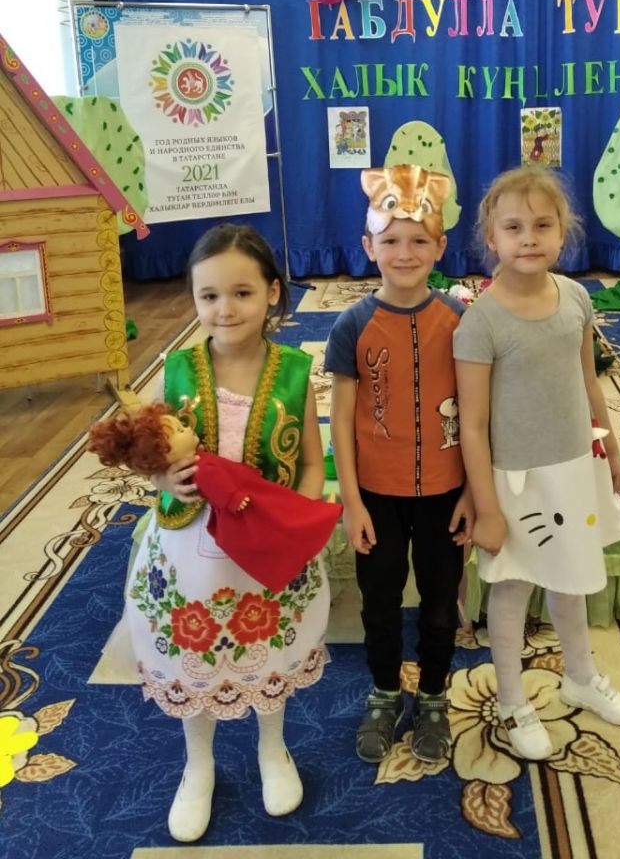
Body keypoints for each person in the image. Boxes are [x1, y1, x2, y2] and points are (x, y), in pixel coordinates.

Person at [123, 223, 329, 843]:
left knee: (269, 647)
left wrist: (296, 519)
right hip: (190, 552)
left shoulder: (294, 372)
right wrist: (163, 481)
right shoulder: (176, 371)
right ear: (192, 297)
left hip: (266, 549)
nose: (225, 309)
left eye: (242, 292)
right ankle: (199, 765)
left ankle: (273, 747)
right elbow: (146, 456)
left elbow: (311, 461)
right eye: (208, 295)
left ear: (272, 293)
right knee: (195, 655)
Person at [453, 167, 620, 761]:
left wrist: (611, 450)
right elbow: (473, 425)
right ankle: (513, 700)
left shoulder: (577, 298)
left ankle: (580, 677)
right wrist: (487, 507)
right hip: (516, 482)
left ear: (564, 233)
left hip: (573, 469)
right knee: (512, 590)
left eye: (542, 225)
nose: (528, 238)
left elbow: (588, 381)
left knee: (571, 578)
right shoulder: (481, 321)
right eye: (514, 227)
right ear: (492, 238)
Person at [325, 164, 474, 766]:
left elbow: (478, 415)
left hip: (446, 493)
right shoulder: (352, 325)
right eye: (390, 240)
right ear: (369, 247)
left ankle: (433, 694)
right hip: (376, 496)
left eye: (418, 240)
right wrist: (351, 502)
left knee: (440, 604)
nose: (405, 253)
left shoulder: (461, 321)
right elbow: (340, 420)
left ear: (440, 246)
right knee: (380, 601)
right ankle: (385, 691)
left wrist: (473, 493)